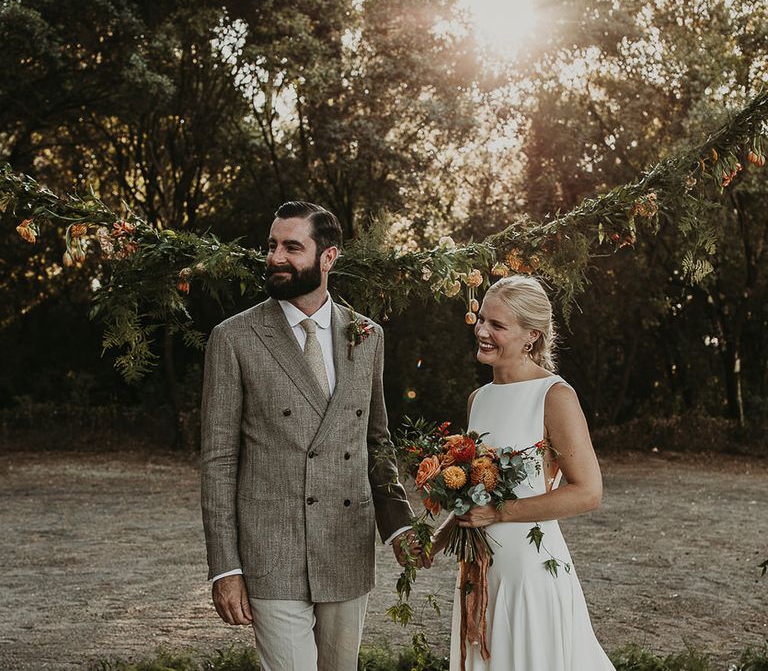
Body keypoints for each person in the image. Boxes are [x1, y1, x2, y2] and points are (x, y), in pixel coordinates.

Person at [200, 201, 425, 671]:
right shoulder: (234, 338)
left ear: (328, 257)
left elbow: (376, 439)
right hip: (270, 550)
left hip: (346, 543)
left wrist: (399, 523)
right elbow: (218, 461)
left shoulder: (367, 335)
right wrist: (226, 567)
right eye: (271, 246)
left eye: (291, 247)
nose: (276, 258)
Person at [433, 275, 615, 671]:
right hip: (479, 573)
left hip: (530, 572)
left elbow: (588, 492)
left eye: (497, 325)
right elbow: (473, 496)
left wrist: (499, 513)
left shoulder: (554, 396)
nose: (482, 331)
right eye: (482, 319)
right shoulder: (478, 399)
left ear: (531, 335)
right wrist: (436, 539)